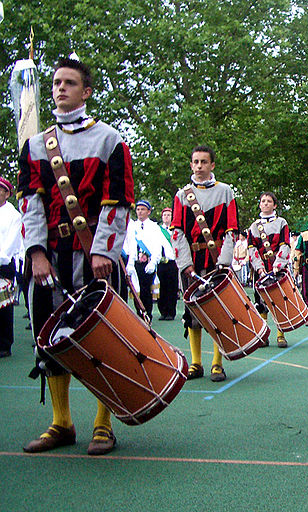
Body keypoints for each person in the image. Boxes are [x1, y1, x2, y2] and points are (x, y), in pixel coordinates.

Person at [19, 57, 134, 455]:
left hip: (94, 255)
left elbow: (117, 201)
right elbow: (30, 203)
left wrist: (103, 250)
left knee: (103, 338)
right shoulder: (34, 146)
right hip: (50, 255)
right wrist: (36, 253)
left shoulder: (110, 140)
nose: (60, 88)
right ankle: (62, 423)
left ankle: (104, 424)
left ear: (86, 92)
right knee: (49, 337)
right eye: (55, 83)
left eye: (69, 83)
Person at [171, 145, 238, 382]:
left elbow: (232, 229)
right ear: (191, 165)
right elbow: (177, 231)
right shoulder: (182, 195)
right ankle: (196, 362)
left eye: (203, 162)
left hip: (216, 260)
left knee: (217, 312)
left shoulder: (226, 192)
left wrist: (224, 262)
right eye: (195, 162)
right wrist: (185, 263)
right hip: (191, 260)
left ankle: (217, 364)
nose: (199, 166)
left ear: (212, 165)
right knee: (192, 312)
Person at [246, 191, 292, 348]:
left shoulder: (281, 223)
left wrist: (278, 265)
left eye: (268, 201)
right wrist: (259, 268)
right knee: (260, 302)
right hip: (261, 268)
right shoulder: (253, 226)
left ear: (275, 205)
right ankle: (264, 335)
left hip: (277, 268)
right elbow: (251, 249)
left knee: (279, 300)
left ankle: (280, 334)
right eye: (263, 201)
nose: (265, 203)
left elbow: (285, 244)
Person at [123, 200, 172, 320]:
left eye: (143, 209)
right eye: (138, 209)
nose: (140, 212)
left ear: (149, 211)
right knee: (135, 290)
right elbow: (129, 244)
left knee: (146, 291)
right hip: (135, 262)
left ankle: (147, 314)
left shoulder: (154, 227)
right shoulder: (132, 226)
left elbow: (157, 246)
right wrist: (130, 263)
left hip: (148, 262)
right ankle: (139, 314)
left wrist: (153, 262)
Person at [0, 176, 23, 358]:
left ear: (7, 193)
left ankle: (4, 344)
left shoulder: (14, 215)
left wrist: (2, 258)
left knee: (3, 306)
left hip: (4, 264)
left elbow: (12, 242)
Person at [156, 207, 179, 320]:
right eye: (164, 215)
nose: (166, 217)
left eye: (169, 215)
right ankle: (163, 311)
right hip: (161, 262)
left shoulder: (176, 230)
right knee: (162, 287)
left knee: (172, 287)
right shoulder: (158, 230)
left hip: (172, 262)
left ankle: (171, 312)